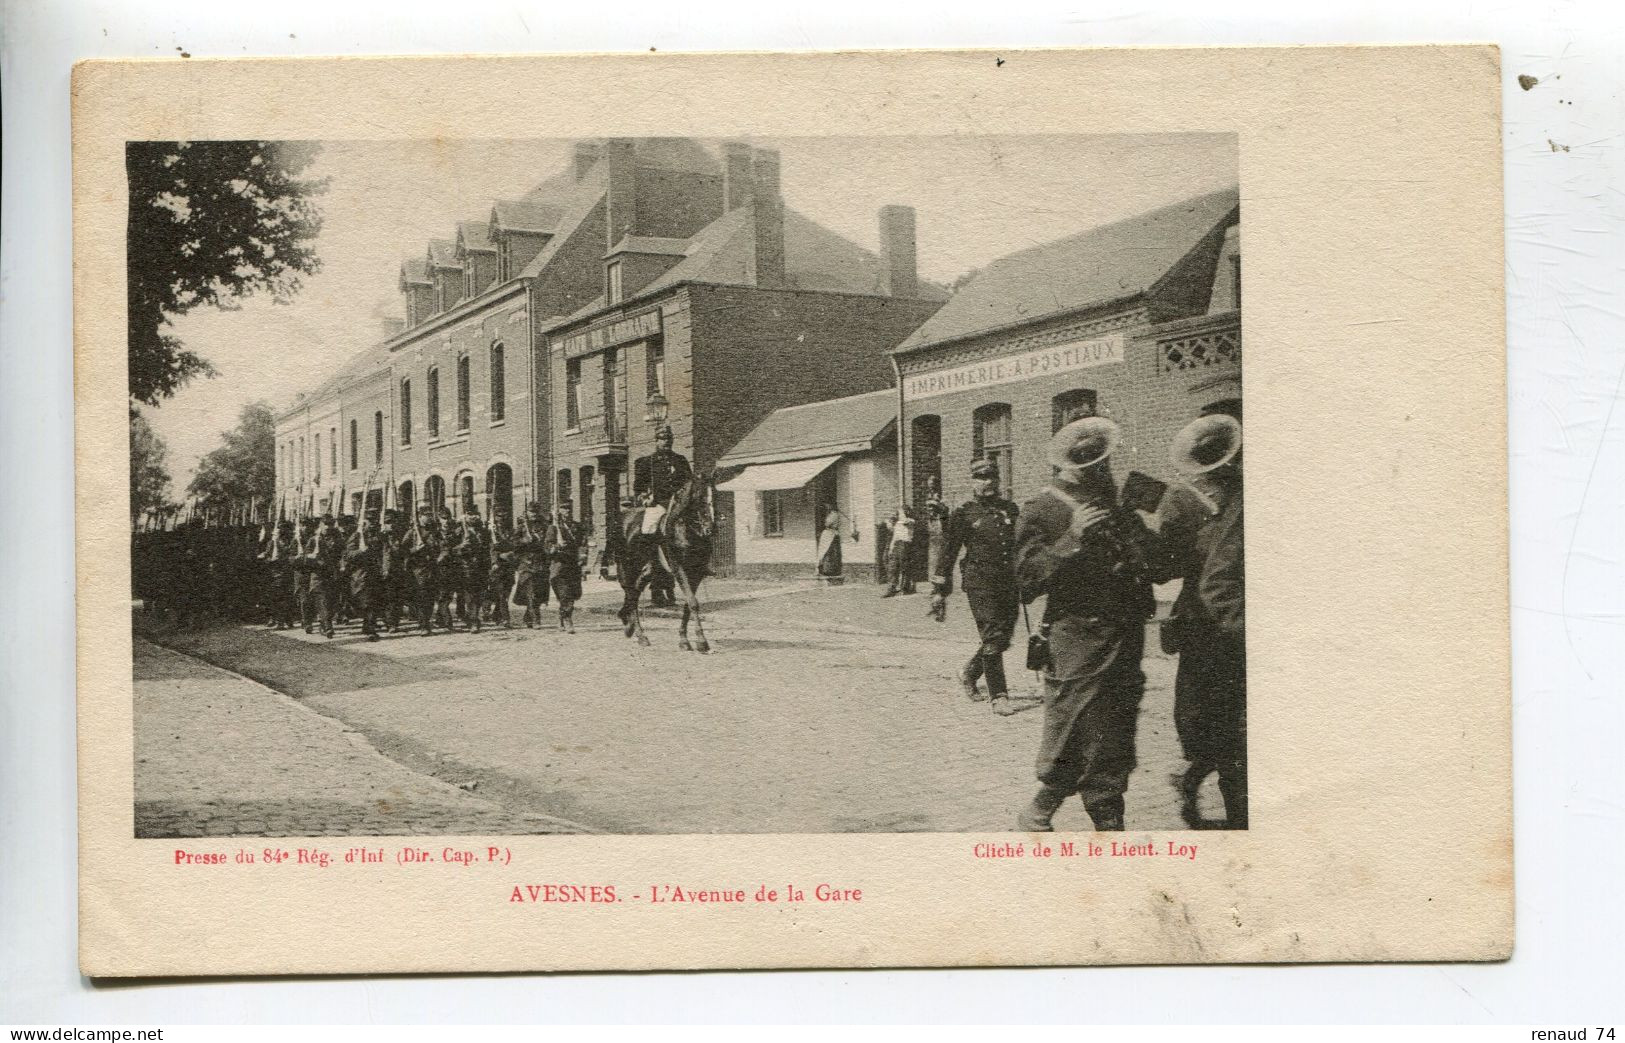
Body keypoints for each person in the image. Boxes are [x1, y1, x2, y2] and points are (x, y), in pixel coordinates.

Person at [1013, 417, 1156, 832]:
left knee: (1115, 727)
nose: (1103, 469)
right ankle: (1044, 809)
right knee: (1077, 722)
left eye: (1104, 461)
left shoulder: (1115, 505)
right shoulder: (1042, 508)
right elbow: (1026, 579)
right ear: (1069, 464)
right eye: (1093, 463)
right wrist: (1072, 538)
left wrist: (1140, 524)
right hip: (1076, 636)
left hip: (1124, 633)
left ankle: (1103, 819)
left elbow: (1155, 565)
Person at [1152, 405, 1247, 829]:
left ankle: (1211, 790)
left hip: (1227, 615)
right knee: (1207, 717)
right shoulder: (1182, 498)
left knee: (1231, 723)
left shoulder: (1242, 491)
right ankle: (1198, 782)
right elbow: (1166, 565)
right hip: (1202, 621)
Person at [930, 459, 1026, 715]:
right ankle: (999, 696)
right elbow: (948, 552)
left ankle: (969, 672)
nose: (988, 483)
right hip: (980, 583)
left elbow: (1021, 546)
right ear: (973, 482)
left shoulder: (1010, 509)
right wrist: (940, 589)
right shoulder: (965, 513)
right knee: (993, 636)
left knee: (1003, 637)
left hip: (1008, 582)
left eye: (992, 477)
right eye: (982, 478)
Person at [632, 424, 693, 536]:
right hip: (659, 503)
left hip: (680, 503)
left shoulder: (680, 460)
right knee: (648, 528)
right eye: (663, 439)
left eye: (669, 439)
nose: (666, 442)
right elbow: (639, 486)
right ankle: (648, 553)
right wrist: (645, 498)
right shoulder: (648, 462)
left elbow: (689, 481)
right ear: (656, 441)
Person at [545, 499, 587, 633]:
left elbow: (582, 543)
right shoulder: (554, 528)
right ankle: (568, 620)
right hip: (559, 566)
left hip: (573, 565)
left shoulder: (577, 526)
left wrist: (583, 555)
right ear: (559, 512)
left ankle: (561, 617)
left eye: (569, 509)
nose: (567, 511)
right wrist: (557, 547)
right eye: (564, 509)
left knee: (573, 594)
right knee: (565, 595)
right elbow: (547, 547)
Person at [344, 509, 384, 641]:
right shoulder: (357, 536)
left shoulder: (379, 535)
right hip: (361, 575)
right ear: (364, 522)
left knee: (374, 602)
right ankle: (369, 627)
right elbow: (348, 555)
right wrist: (361, 551)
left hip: (376, 573)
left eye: (375, 521)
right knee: (366, 602)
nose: (372, 524)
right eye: (369, 521)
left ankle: (369, 626)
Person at [404, 507, 443, 636]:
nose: (429, 517)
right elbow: (402, 551)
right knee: (421, 596)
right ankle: (423, 624)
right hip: (418, 569)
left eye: (430, 515)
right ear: (420, 517)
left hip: (433, 567)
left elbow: (442, 545)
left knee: (431, 596)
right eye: (426, 515)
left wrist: (440, 554)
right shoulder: (413, 532)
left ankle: (426, 620)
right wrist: (415, 549)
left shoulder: (435, 530)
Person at [512, 503, 551, 628]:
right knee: (531, 591)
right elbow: (513, 543)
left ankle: (528, 616)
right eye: (531, 512)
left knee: (539, 592)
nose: (533, 514)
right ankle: (536, 619)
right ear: (527, 512)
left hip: (542, 562)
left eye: (535, 511)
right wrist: (523, 541)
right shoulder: (522, 527)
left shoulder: (545, 526)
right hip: (527, 563)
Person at [305, 513, 344, 639]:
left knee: (332, 602)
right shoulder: (314, 540)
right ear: (321, 525)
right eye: (325, 524)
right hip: (318, 575)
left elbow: (343, 554)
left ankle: (324, 623)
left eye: (330, 524)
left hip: (332, 574)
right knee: (322, 601)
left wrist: (342, 565)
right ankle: (328, 627)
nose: (328, 527)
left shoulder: (338, 539)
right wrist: (312, 558)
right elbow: (304, 557)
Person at [881, 506, 917, 597]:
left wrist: (897, 519)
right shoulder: (897, 524)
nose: (897, 514)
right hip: (897, 544)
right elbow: (895, 537)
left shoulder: (910, 521)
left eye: (899, 513)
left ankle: (905, 588)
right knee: (892, 568)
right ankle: (891, 588)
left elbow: (906, 521)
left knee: (904, 567)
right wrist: (891, 548)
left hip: (905, 544)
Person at [816, 504, 859, 580]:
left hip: (831, 534)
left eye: (828, 507)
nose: (827, 509)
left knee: (829, 552)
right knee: (827, 552)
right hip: (832, 534)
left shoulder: (833, 515)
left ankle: (829, 570)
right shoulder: (834, 515)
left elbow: (827, 523)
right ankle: (826, 569)